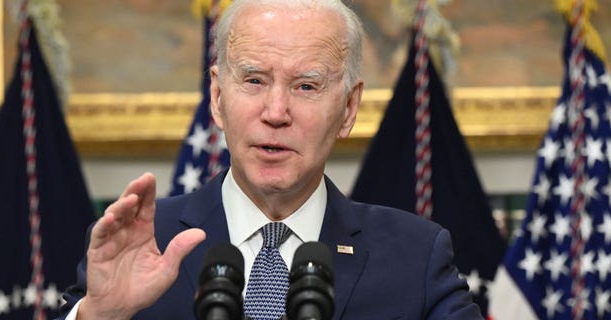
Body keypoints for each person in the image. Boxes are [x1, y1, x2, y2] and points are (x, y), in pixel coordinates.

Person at [59, 0, 483, 319]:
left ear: (349, 108)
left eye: (306, 86)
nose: (276, 112)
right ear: (218, 96)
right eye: (254, 80)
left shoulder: (415, 256)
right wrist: (99, 315)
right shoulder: (145, 241)